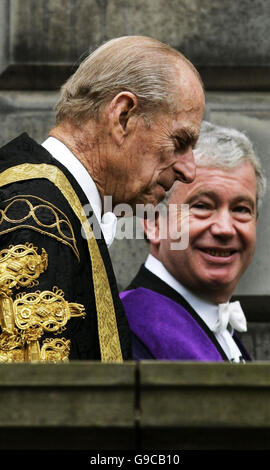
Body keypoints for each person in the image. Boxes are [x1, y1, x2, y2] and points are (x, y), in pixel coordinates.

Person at [0, 36, 205, 362]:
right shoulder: (40, 221)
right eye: (179, 141)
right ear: (122, 116)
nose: (189, 171)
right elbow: (32, 405)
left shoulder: (53, 207)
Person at [120, 121, 266, 362]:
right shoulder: (126, 328)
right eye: (202, 206)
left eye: (241, 209)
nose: (225, 229)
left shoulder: (218, 328)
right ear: (153, 222)